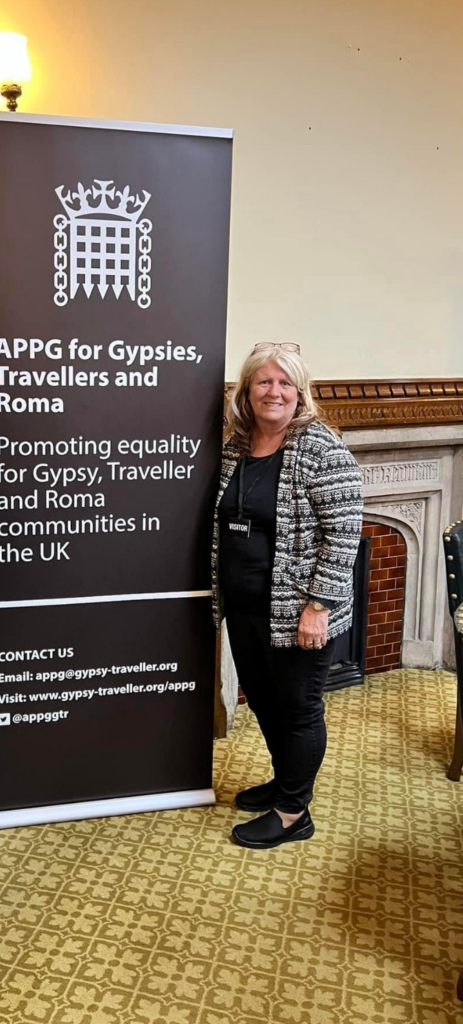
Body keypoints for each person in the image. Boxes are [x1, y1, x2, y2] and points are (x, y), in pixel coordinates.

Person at [212, 342, 363, 849]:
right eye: (264, 382)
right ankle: (284, 782)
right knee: (264, 703)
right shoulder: (235, 444)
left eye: (284, 383)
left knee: (299, 708)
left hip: (299, 610)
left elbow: (344, 536)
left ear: (300, 393)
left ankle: (293, 810)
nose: (273, 392)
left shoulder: (320, 447)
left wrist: (318, 607)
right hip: (246, 605)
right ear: (247, 390)